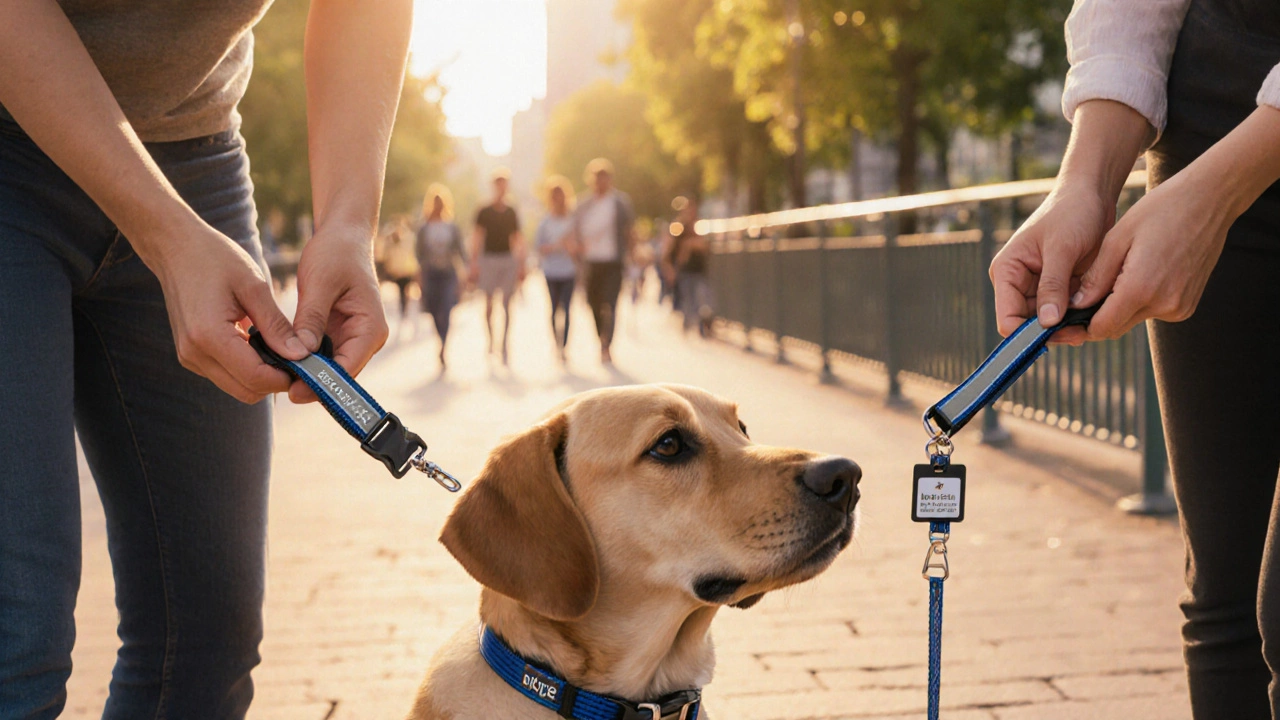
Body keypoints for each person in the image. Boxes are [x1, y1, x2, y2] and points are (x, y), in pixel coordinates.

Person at [0, 0, 404, 717]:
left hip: (196, 147)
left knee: (205, 636)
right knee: (16, 638)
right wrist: (163, 232)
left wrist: (348, 219)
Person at [988, 2, 1280, 717]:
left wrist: (1216, 194)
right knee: (1225, 600)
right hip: (1208, 102)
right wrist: (1084, 182)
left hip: (1233, 153)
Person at [572, 158, 636, 364]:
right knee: (593, 303)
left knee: (611, 302)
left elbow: (629, 231)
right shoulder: (583, 205)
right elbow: (575, 231)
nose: (601, 183)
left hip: (613, 261)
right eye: (598, 179)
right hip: (591, 262)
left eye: (605, 179)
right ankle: (601, 335)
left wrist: (632, 254)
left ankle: (606, 345)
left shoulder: (620, 203)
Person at [469, 168, 524, 365]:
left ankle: (504, 342)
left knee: (508, 303)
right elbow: (476, 238)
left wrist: (521, 264)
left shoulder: (511, 211)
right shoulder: (483, 211)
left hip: (507, 259)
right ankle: (491, 340)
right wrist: (474, 263)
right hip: (489, 259)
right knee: (489, 303)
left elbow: (518, 238)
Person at [416, 184, 466, 370]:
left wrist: (465, 275)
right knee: (435, 311)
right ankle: (440, 339)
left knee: (446, 308)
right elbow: (419, 255)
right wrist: (418, 278)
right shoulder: (423, 228)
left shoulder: (451, 227)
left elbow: (460, 252)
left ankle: (444, 345)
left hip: (447, 273)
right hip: (430, 274)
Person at [534, 175, 578, 362]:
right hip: (551, 271)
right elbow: (539, 248)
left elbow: (579, 246)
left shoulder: (573, 220)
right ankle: (555, 342)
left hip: (569, 271)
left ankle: (564, 346)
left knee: (566, 309)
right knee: (553, 309)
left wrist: (571, 247)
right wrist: (554, 247)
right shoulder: (545, 222)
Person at [667, 197, 713, 336]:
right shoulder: (679, 228)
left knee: (702, 299)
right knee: (688, 299)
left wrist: (692, 245)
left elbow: (705, 246)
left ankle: (702, 326)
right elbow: (672, 251)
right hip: (685, 271)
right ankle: (688, 326)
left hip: (700, 269)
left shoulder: (701, 226)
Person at [377, 215, 420, 330]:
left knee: (404, 291)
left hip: (406, 271)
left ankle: (404, 310)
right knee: (402, 292)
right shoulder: (391, 242)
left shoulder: (408, 240)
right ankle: (403, 310)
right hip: (398, 272)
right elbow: (385, 256)